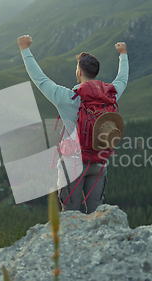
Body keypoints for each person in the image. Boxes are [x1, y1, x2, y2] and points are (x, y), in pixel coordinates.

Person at [17, 34, 129, 213]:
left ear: (78, 72)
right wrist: (123, 54)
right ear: (96, 72)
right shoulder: (111, 95)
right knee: (96, 212)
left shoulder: (68, 98)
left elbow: (40, 79)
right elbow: (122, 78)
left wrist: (25, 49)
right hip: (99, 161)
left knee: (70, 212)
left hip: (72, 164)